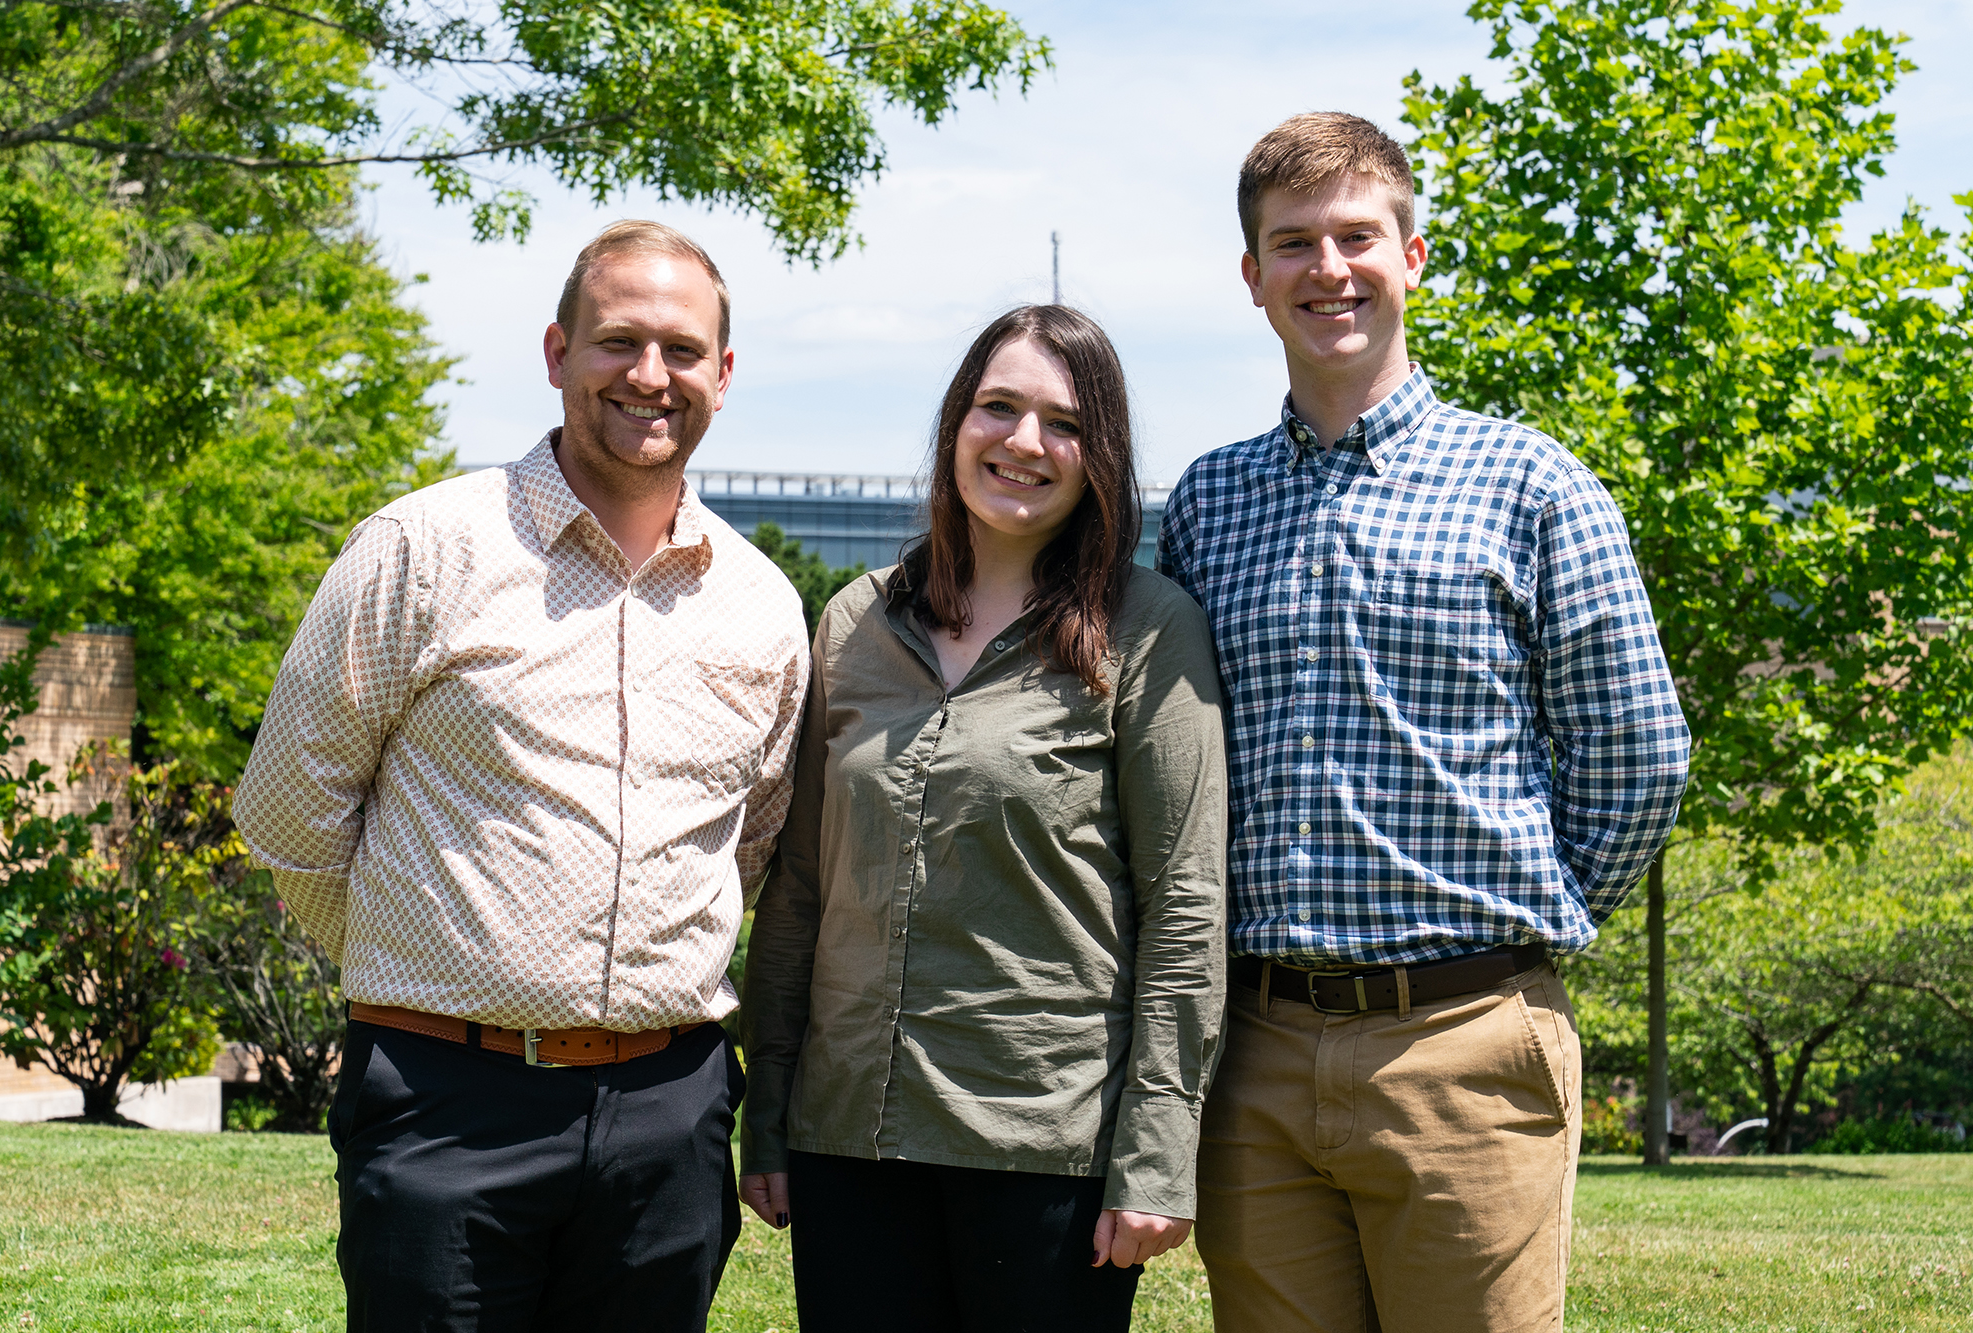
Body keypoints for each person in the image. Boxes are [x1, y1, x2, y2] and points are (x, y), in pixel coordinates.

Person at [1157, 113, 1691, 1332]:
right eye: (1291, 243)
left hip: (1467, 1044)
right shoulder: (1206, 503)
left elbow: (1637, 754)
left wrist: (1513, 927)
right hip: (1254, 1050)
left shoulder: (1532, 484)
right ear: (1250, 278)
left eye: (1356, 234)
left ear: (1412, 254)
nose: (1325, 268)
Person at [233, 220, 810, 1332]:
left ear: (723, 376)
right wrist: (421, 967)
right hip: (447, 1103)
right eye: (618, 342)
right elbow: (291, 814)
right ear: (557, 353)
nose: (650, 376)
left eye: (682, 351)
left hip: (668, 1113)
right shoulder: (422, 549)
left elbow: (753, 842)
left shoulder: (760, 603)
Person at [737, 305, 1230, 1332]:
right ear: (953, 423)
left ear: (1100, 455)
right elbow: (802, 889)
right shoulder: (854, 621)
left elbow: (1185, 907)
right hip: (848, 1139)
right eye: (996, 407)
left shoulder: (1149, 630)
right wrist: (771, 1119)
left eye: (1061, 422)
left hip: (1044, 1148)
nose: (1021, 442)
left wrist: (1155, 1150)